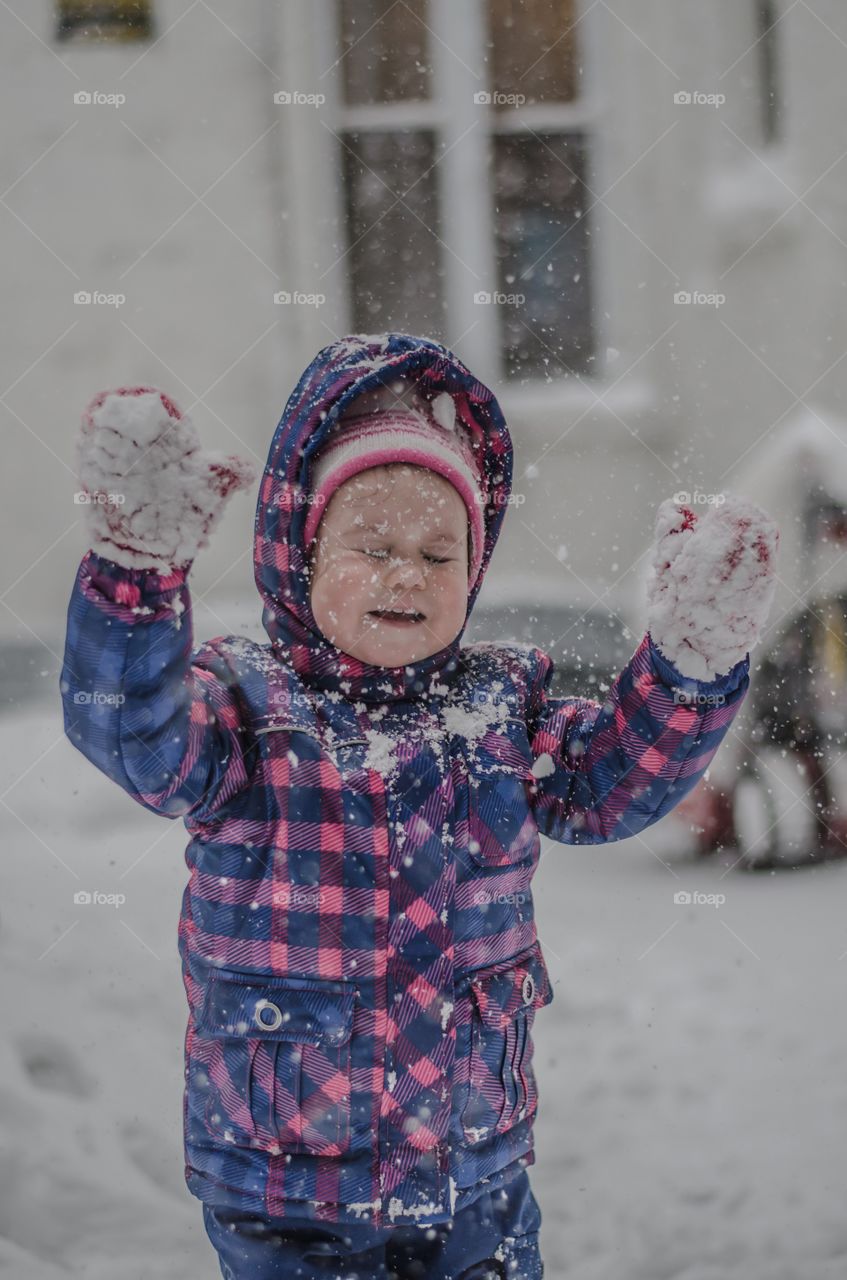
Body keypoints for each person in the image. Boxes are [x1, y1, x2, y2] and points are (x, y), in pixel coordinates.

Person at [60, 333, 779, 1279]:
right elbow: (130, 733)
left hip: (472, 1176)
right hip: (285, 1188)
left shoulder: (502, 706)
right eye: (373, 547)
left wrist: (690, 668)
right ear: (300, 557)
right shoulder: (244, 705)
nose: (408, 574)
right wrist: (136, 582)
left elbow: (610, 784)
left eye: (440, 554)